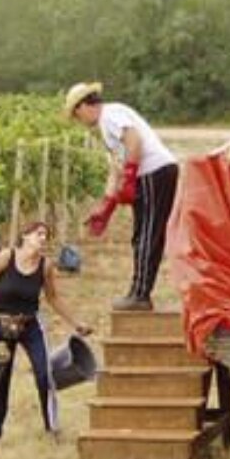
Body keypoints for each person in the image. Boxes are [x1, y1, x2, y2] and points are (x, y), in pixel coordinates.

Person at [65, 81, 179, 311]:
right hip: (154, 173)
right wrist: (106, 207)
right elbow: (115, 169)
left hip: (153, 172)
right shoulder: (108, 124)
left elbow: (134, 141)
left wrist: (130, 176)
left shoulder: (110, 114)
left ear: (82, 107)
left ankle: (140, 295)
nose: (80, 122)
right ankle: (139, 292)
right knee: (142, 235)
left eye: (77, 116)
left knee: (147, 234)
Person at [0, 220, 92, 442]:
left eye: (46, 235)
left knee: (43, 373)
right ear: (25, 236)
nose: (43, 239)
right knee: (1, 378)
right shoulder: (6, 257)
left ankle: (52, 428)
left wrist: (76, 324)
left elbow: (53, 298)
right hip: (1, 323)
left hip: (30, 324)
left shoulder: (45, 266)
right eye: (39, 234)